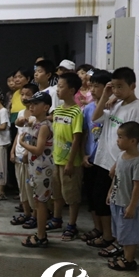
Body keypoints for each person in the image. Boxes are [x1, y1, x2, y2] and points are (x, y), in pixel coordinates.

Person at [88, 67, 139, 258]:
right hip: (104, 159)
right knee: (102, 201)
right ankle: (110, 237)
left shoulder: (136, 109)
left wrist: (117, 165)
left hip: (117, 164)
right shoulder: (116, 103)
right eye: (114, 86)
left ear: (133, 86)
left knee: (114, 206)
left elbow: (134, 141)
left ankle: (114, 240)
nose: (117, 90)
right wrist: (106, 95)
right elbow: (95, 118)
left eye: (120, 86)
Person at [47, 72, 84, 241]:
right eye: (57, 86)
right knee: (57, 193)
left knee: (71, 195)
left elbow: (77, 139)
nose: (58, 90)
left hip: (70, 162)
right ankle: (56, 219)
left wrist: (70, 162)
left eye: (61, 87)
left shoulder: (76, 112)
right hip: (56, 159)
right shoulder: (58, 110)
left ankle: (72, 225)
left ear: (71, 90)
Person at [106, 121, 139, 271]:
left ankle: (129, 260)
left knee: (129, 234)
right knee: (121, 231)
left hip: (127, 205)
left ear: (133, 141)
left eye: (121, 137)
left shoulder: (137, 162)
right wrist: (110, 192)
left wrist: (132, 206)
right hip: (117, 201)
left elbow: (137, 186)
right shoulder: (121, 156)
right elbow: (116, 176)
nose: (117, 140)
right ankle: (123, 254)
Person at [19, 91, 54, 247]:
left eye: (35, 104)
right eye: (30, 104)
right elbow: (21, 124)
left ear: (46, 107)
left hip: (43, 168)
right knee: (38, 201)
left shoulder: (44, 126)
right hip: (36, 168)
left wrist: (23, 144)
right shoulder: (36, 122)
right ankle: (40, 233)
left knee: (41, 203)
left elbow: (39, 149)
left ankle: (41, 236)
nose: (31, 107)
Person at [80, 70, 111, 243]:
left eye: (96, 86)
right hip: (90, 158)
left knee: (102, 197)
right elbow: (85, 133)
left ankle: (107, 233)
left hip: (105, 160)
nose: (92, 89)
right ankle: (97, 228)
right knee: (91, 196)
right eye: (91, 86)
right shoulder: (89, 108)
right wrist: (84, 154)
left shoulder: (113, 107)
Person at [10, 83, 38, 227]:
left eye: (28, 94)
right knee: (22, 187)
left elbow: (36, 136)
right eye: (22, 94)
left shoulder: (36, 115)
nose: (24, 97)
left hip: (31, 157)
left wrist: (28, 151)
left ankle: (35, 215)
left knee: (31, 187)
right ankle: (26, 213)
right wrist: (12, 150)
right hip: (19, 155)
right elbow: (18, 133)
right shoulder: (21, 113)